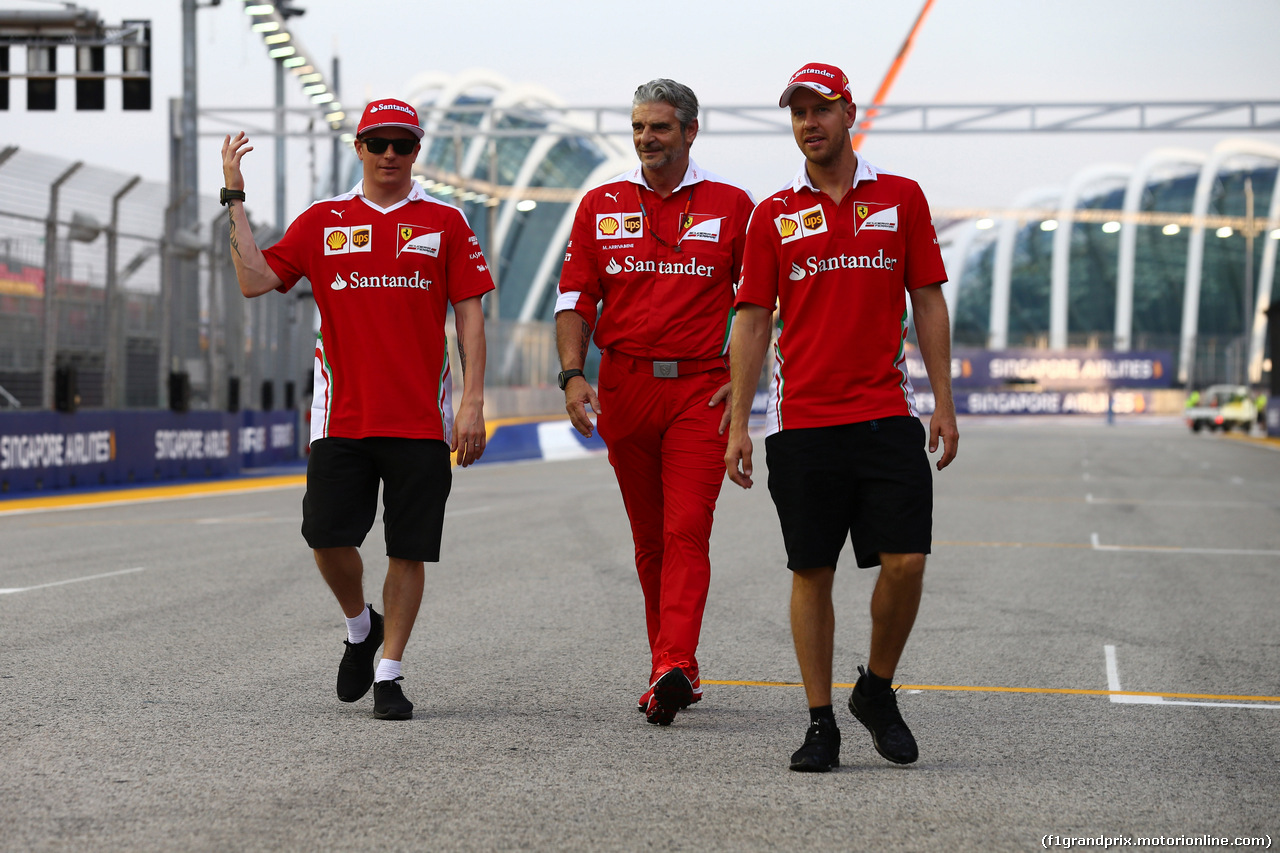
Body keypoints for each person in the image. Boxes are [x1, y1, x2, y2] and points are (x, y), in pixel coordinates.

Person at [220, 98, 493, 721]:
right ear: (360, 149)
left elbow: (471, 318)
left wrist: (472, 402)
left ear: (417, 149)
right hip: (340, 418)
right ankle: (359, 625)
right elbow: (255, 280)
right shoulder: (323, 220)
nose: (390, 154)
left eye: (402, 143)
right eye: (378, 143)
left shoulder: (447, 222)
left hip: (422, 421)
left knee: (409, 549)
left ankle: (390, 672)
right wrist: (233, 198)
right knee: (325, 536)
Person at [725, 63, 958, 770]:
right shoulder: (772, 214)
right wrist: (740, 419)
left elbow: (929, 301)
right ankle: (820, 719)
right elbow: (753, 320)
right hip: (803, 425)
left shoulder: (901, 198)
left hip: (887, 414)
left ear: (848, 111)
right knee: (812, 571)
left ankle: (876, 689)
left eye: (820, 109)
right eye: (797, 112)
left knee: (907, 561)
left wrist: (944, 399)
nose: (808, 123)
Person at [555, 79, 755, 726]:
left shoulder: (732, 205)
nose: (647, 138)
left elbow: (759, 305)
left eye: (660, 128)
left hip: (701, 389)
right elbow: (574, 299)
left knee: (685, 528)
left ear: (690, 131)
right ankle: (674, 669)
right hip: (623, 386)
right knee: (649, 540)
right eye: (640, 127)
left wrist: (746, 384)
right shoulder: (600, 204)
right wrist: (571, 374)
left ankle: (671, 662)